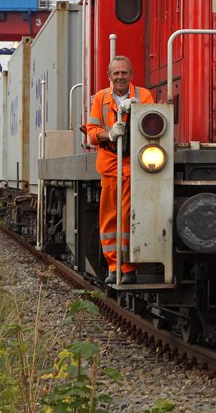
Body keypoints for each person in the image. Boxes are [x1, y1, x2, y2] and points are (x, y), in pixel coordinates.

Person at [82, 55, 155, 284]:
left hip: (135, 163)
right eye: (116, 73)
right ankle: (114, 266)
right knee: (110, 217)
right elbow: (92, 132)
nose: (120, 77)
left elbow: (153, 126)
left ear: (131, 75)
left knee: (128, 215)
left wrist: (133, 114)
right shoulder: (101, 98)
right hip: (110, 163)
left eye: (124, 72)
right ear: (109, 76)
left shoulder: (144, 96)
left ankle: (129, 267)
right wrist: (110, 133)